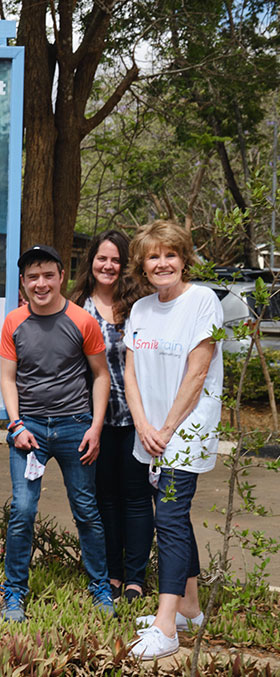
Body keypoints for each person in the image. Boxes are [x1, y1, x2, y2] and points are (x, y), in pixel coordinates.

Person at [0, 244, 114, 622]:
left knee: (86, 511)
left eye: (48, 275)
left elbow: (100, 375)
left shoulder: (83, 320)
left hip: (75, 427)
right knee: (23, 510)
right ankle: (14, 592)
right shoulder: (14, 321)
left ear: (62, 276)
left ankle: (100, 587)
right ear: (23, 282)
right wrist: (15, 425)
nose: (41, 283)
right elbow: (7, 378)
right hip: (28, 429)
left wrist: (95, 428)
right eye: (33, 277)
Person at [125, 221, 223, 660]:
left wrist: (166, 430)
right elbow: (129, 372)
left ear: (184, 259)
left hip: (186, 430)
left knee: (168, 518)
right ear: (142, 265)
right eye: (153, 256)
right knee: (174, 519)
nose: (162, 263)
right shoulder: (142, 308)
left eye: (171, 255)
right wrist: (144, 424)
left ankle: (166, 628)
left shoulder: (201, 301)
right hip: (152, 432)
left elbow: (197, 372)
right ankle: (189, 609)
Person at [71, 230, 151, 603]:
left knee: (136, 498)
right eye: (102, 258)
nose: (108, 266)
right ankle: (113, 575)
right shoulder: (75, 306)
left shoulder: (141, 306)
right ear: (91, 261)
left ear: (125, 265)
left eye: (116, 260)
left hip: (137, 418)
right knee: (104, 499)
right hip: (94, 422)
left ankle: (136, 577)